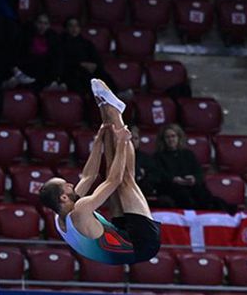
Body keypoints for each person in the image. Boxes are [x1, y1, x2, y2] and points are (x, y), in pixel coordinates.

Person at [39, 79, 160, 265]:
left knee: (109, 176)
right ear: (63, 197)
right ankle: (116, 113)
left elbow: (89, 176)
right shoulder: (79, 211)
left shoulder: (61, 214)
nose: (71, 184)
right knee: (125, 181)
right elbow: (115, 179)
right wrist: (122, 142)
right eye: (67, 186)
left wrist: (99, 141)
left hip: (119, 235)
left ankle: (106, 109)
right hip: (142, 245)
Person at [154, 124, 235, 212]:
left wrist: (194, 179)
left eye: (173, 136)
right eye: (167, 137)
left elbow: (198, 172)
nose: (171, 140)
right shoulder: (158, 157)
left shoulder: (188, 154)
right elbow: (160, 175)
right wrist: (174, 180)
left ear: (178, 137)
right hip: (172, 188)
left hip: (190, 186)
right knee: (183, 194)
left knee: (205, 194)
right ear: (163, 140)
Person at [60, 17, 116, 96]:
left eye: (76, 26)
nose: (74, 29)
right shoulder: (61, 43)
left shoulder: (86, 43)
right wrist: (80, 64)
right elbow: (63, 61)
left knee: (104, 76)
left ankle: (115, 96)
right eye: (71, 26)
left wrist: (94, 65)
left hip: (90, 70)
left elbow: (96, 58)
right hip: (73, 72)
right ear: (66, 28)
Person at [18, 13, 65, 91]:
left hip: (46, 71)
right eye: (40, 23)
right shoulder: (26, 35)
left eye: (45, 23)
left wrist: (56, 78)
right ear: (35, 23)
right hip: (29, 70)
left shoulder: (54, 38)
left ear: (49, 25)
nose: (42, 26)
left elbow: (58, 58)